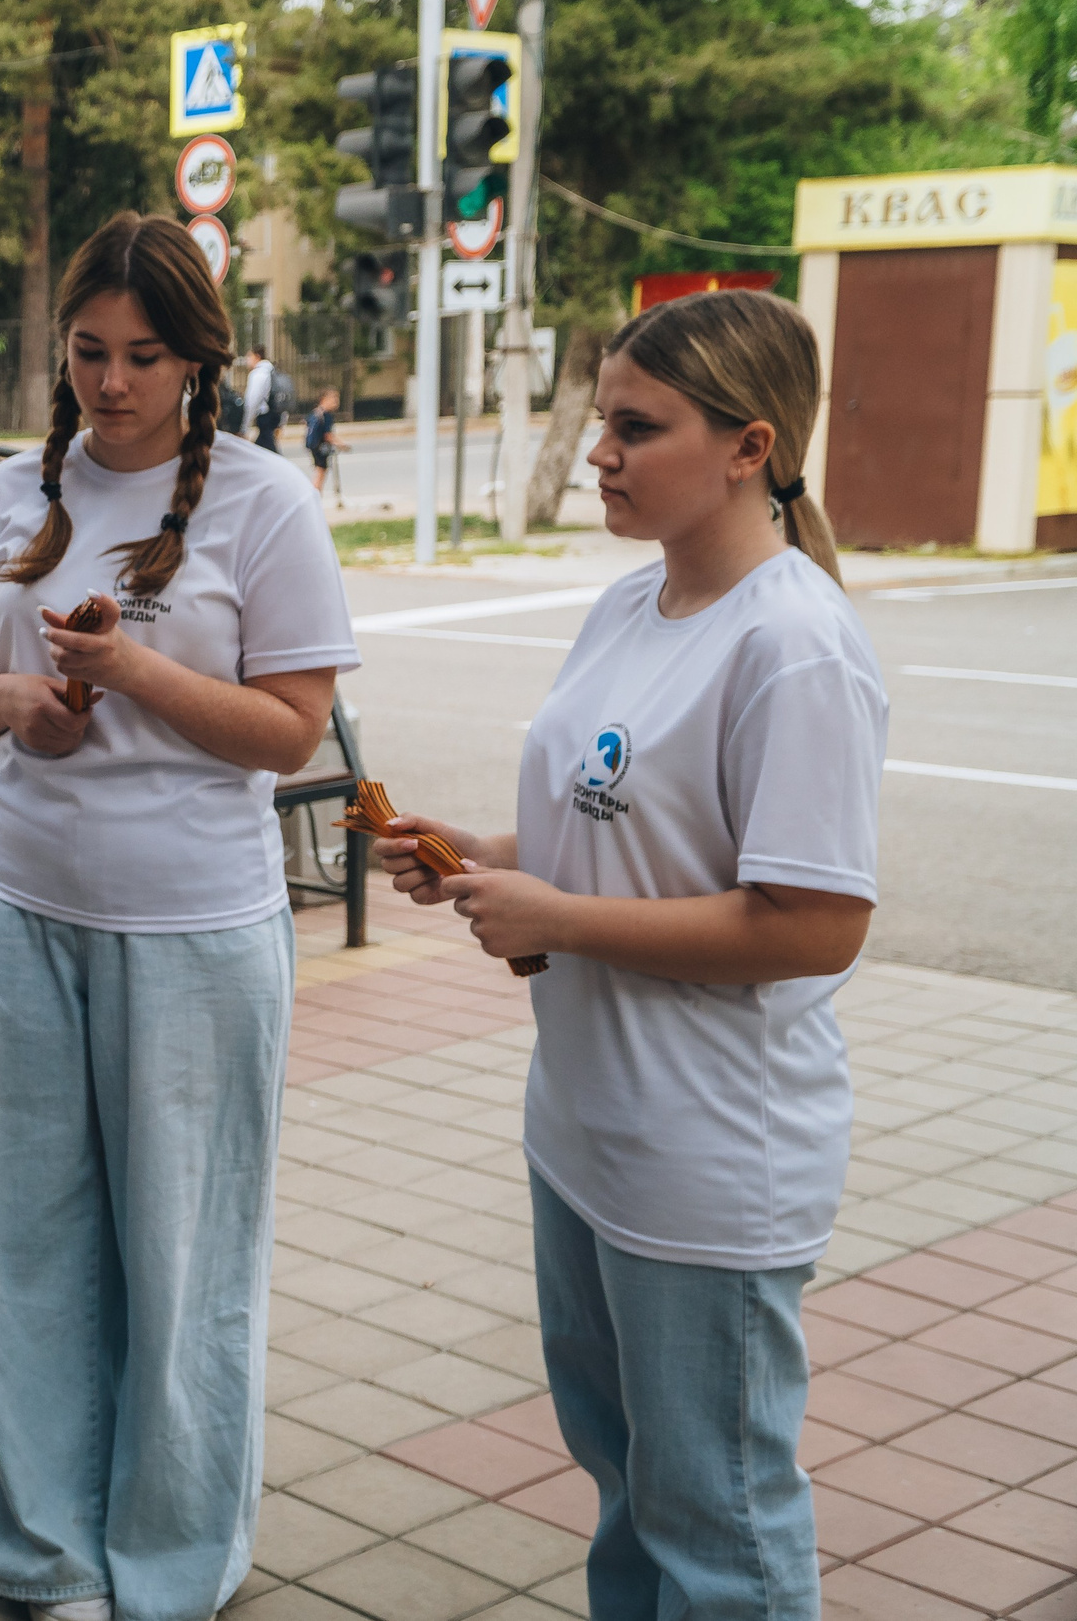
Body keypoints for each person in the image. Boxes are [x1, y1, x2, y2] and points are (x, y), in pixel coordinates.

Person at [372, 289, 884, 1619]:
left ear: (749, 445)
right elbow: (614, 840)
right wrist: (478, 853)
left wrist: (559, 919)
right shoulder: (631, 602)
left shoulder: (795, 643)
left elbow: (815, 920)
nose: (600, 451)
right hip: (589, 1130)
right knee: (629, 1483)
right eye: (602, 419)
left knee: (718, 1511)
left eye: (636, 426)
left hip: (709, 1155)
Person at [0, 213, 359, 1621]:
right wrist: (24, 710)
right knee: (21, 1237)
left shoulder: (262, 500)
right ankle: (43, 1554)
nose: (113, 381)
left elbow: (290, 734)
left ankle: (171, 1566)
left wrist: (135, 670)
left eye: (145, 356)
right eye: (90, 351)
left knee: (184, 1254)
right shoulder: (10, 495)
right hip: (18, 904)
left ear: (199, 358)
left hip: (196, 927)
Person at [304, 388, 349, 499]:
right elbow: (328, 435)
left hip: (314, 446)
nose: (336, 403)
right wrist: (341, 444)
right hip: (321, 447)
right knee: (320, 472)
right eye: (333, 400)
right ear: (324, 399)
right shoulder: (326, 415)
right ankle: (315, 497)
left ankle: (316, 495)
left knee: (319, 471)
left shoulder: (315, 413)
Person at [245, 344, 283, 452]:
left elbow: (252, 401)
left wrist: (245, 426)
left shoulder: (258, 374)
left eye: (249, 357)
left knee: (266, 452)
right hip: (275, 415)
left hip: (264, 417)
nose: (247, 360)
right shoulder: (273, 371)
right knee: (263, 450)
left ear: (257, 357)